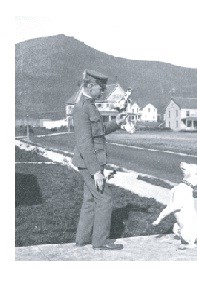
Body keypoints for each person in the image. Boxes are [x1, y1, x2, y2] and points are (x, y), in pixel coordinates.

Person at [72, 69, 127, 250]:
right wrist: (96, 171)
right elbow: (85, 143)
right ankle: (100, 242)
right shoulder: (82, 108)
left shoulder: (89, 105)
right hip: (90, 162)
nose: (103, 90)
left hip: (91, 161)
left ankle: (82, 240)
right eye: (100, 87)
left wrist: (116, 123)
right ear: (89, 85)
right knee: (104, 200)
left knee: (90, 200)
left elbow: (98, 131)